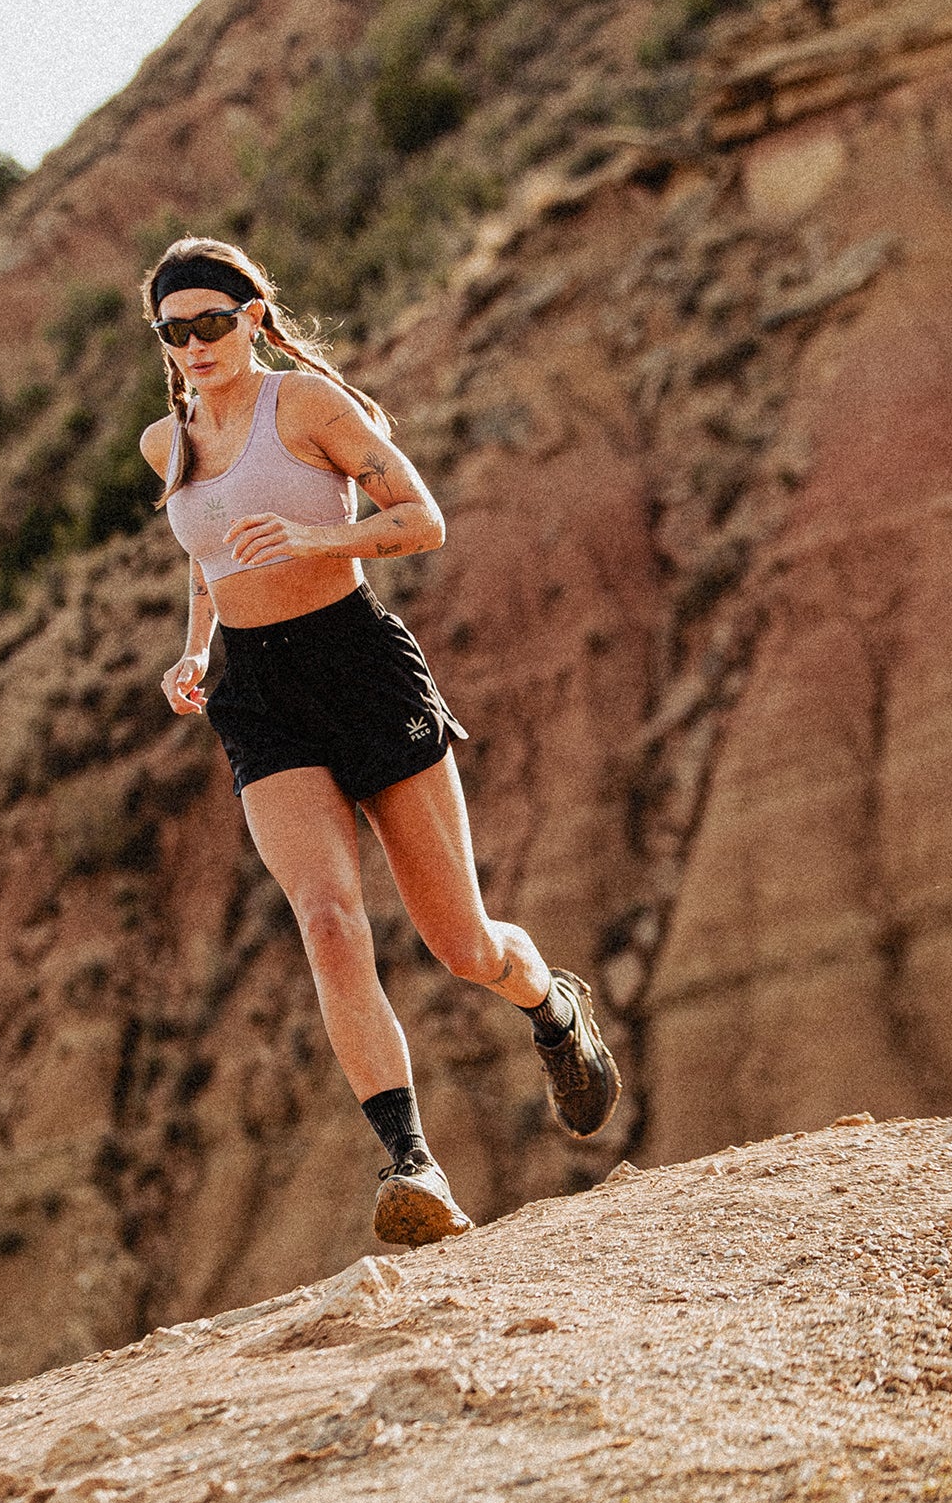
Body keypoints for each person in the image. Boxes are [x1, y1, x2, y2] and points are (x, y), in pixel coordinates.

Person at [137, 237, 620, 1248]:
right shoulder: (165, 444)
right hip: (257, 693)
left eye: (213, 322)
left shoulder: (308, 410)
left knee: (461, 943)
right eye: (175, 331)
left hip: (357, 663)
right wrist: (193, 651)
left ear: (254, 318)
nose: (196, 345)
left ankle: (552, 1004)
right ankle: (414, 1164)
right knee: (326, 920)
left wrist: (317, 540)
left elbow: (423, 519)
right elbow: (206, 556)